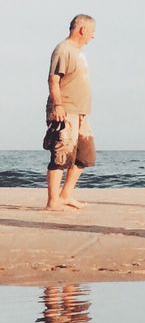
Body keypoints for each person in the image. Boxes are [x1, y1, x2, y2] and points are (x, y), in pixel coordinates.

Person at [44, 14, 97, 212]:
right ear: (82, 29)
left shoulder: (78, 52)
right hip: (65, 111)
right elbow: (53, 80)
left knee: (85, 156)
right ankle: (52, 201)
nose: (93, 36)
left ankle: (65, 195)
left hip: (81, 113)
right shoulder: (63, 49)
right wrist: (58, 106)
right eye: (92, 31)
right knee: (61, 155)